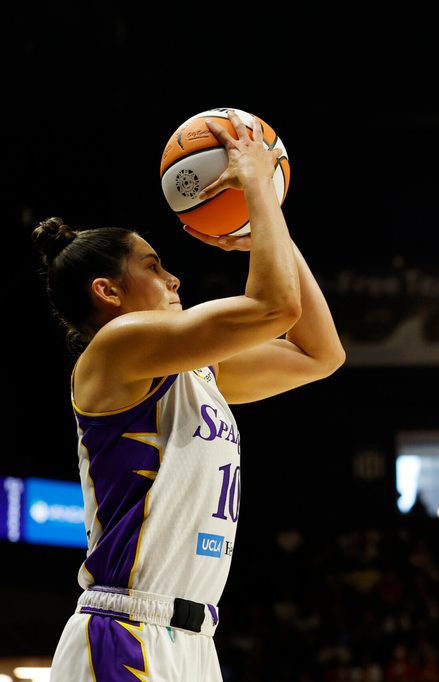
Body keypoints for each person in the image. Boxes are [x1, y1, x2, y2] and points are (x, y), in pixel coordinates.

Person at [38, 110, 345, 680]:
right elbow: (274, 308)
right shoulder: (115, 347)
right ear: (107, 290)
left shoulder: (198, 370)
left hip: (195, 639)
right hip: (125, 631)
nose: (175, 279)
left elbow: (320, 355)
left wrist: (271, 226)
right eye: (154, 266)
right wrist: (257, 185)